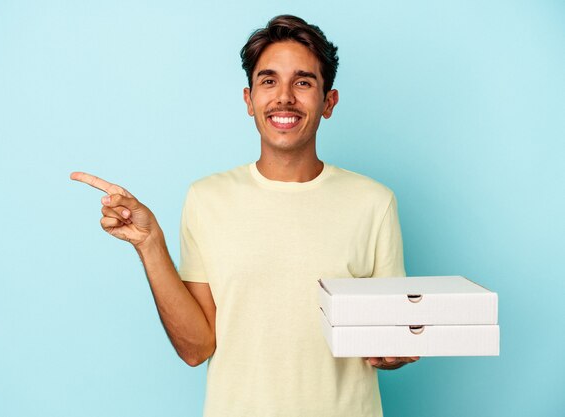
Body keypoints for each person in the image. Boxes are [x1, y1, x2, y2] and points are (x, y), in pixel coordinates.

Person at [71, 14, 418, 417]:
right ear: (249, 99)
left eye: (303, 82)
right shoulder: (206, 199)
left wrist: (399, 349)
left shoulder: (374, 202)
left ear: (329, 102)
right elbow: (197, 347)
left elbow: (396, 333)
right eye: (268, 81)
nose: (284, 97)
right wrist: (150, 245)